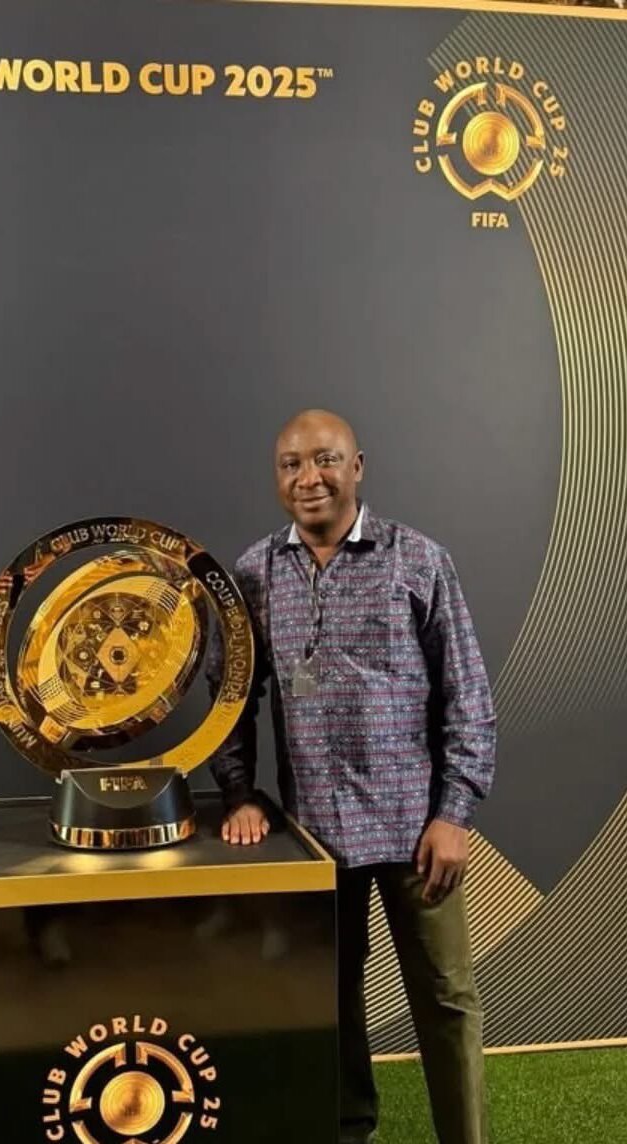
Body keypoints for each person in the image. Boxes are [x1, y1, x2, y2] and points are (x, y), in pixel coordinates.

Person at [208, 409, 496, 1144]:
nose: (309, 478)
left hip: (415, 831)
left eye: (326, 460)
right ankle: (349, 1129)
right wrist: (240, 794)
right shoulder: (254, 574)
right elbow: (228, 698)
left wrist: (454, 814)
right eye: (291, 465)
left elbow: (467, 694)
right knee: (328, 1000)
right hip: (313, 836)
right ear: (277, 478)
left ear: (357, 466)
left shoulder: (418, 560)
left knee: (447, 998)